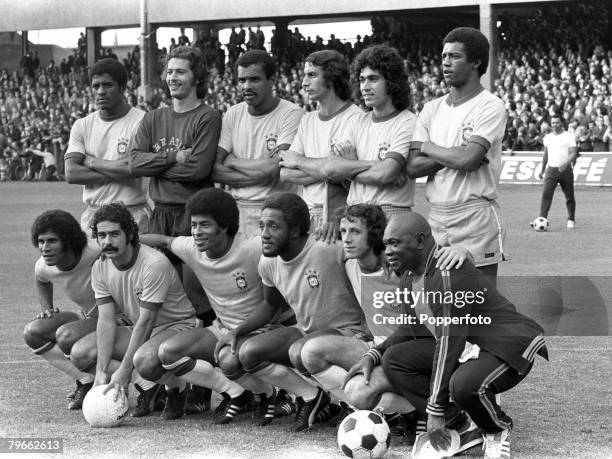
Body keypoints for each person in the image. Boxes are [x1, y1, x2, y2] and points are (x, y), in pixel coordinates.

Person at [347, 212, 547, 458]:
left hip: (508, 343)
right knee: (395, 359)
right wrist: (375, 353)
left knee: (465, 386)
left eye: (395, 243)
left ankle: (496, 429)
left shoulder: (448, 273)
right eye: (386, 244)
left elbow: (449, 343)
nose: (387, 251)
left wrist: (434, 410)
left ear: (420, 241)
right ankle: (462, 424)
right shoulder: (409, 277)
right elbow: (412, 327)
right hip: (468, 346)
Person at [214, 193, 364, 432]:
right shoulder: (268, 262)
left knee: (299, 351)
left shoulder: (328, 246)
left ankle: (354, 405)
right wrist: (237, 331)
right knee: (247, 352)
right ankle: (311, 396)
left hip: (348, 333)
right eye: (262, 226)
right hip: (307, 333)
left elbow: (370, 253)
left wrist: (339, 225)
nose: (264, 233)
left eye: (273, 226)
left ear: (294, 231)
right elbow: (269, 305)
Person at [128, 46, 221, 411]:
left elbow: (198, 171)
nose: (172, 78)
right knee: (156, 297)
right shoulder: (154, 117)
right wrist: (170, 157)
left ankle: (202, 385)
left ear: (197, 77)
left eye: (180, 72)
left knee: (196, 298)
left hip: (192, 212)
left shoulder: (208, 116)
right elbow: (134, 162)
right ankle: (164, 385)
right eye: (169, 71)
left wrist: (159, 166)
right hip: (158, 213)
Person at [140, 188, 280, 426]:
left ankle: (267, 394)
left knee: (230, 359)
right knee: (167, 353)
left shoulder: (252, 248)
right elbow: (163, 240)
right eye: (193, 225)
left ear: (224, 226)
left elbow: (286, 245)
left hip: (261, 332)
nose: (196, 232)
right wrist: (125, 241)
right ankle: (237, 392)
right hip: (222, 331)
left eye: (204, 225)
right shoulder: (192, 248)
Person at [297, 204, 419, 435]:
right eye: (343, 232)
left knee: (360, 391)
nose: (347, 239)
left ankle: (418, 408)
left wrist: (461, 251)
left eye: (355, 231)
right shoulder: (350, 265)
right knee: (310, 352)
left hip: (410, 354)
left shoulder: (400, 267)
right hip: (377, 349)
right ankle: (399, 411)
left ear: (374, 234)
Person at [70, 203, 198, 421]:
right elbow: (107, 320)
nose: (107, 242)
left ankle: (177, 387)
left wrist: (124, 371)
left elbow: (147, 322)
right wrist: (101, 371)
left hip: (176, 326)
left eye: (114, 234)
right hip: (139, 326)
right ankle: (149, 385)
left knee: (145, 360)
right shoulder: (100, 266)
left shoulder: (153, 263)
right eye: (102, 235)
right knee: (81, 354)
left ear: (129, 234)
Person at [407, 27, 508, 280]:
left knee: (478, 304)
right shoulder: (430, 109)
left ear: (475, 61)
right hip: (436, 216)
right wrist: (457, 155)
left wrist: (428, 147)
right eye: (443, 57)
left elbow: (470, 159)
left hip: (474, 214)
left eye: (454, 56)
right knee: (437, 303)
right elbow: (412, 167)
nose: (445, 63)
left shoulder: (490, 105)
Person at [306, 45, 416, 223]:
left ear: (392, 81)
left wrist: (350, 166)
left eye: (373, 79)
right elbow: (331, 169)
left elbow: (385, 174)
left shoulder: (407, 121)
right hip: (354, 214)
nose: (365, 86)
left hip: (390, 214)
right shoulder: (357, 121)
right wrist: (376, 166)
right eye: (362, 79)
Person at [212, 50, 303, 237]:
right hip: (238, 211)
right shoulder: (233, 114)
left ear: (272, 80)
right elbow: (214, 169)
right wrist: (262, 174)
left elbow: (276, 168)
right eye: (241, 80)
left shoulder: (291, 113)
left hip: (277, 211)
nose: (246, 86)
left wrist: (233, 161)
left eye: (254, 79)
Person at [278, 50, 362, 241]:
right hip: (306, 215)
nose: (304, 83)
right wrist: (324, 169)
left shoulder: (355, 118)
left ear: (332, 78)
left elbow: (339, 173)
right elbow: (286, 173)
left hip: (338, 217)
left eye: (312, 75)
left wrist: (299, 161)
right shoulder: (308, 120)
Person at [24, 210, 100, 410]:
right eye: (41, 241)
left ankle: (143, 385)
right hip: (90, 318)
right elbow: (41, 279)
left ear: (68, 241)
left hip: (120, 319)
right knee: (33, 332)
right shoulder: (43, 265)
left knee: (66, 336)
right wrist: (47, 309)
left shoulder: (95, 251)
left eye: (52, 241)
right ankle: (85, 380)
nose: (44, 248)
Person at [64, 59, 149, 232]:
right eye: (96, 86)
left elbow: (133, 168)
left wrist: (91, 161)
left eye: (108, 85)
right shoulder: (82, 125)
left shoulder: (142, 121)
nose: (101, 92)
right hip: (93, 216)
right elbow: (71, 173)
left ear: (123, 87)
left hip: (132, 214)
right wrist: (120, 170)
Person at [535, 115, 578, 229]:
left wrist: (565, 163)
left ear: (562, 123)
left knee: (569, 196)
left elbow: (574, 152)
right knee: (546, 194)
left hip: (565, 170)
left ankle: (571, 219)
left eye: (557, 123)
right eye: (553, 123)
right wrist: (542, 169)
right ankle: (542, 219)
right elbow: (546, 154)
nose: (554, 125)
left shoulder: (568, 136)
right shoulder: (547, 137)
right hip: (551, 170)